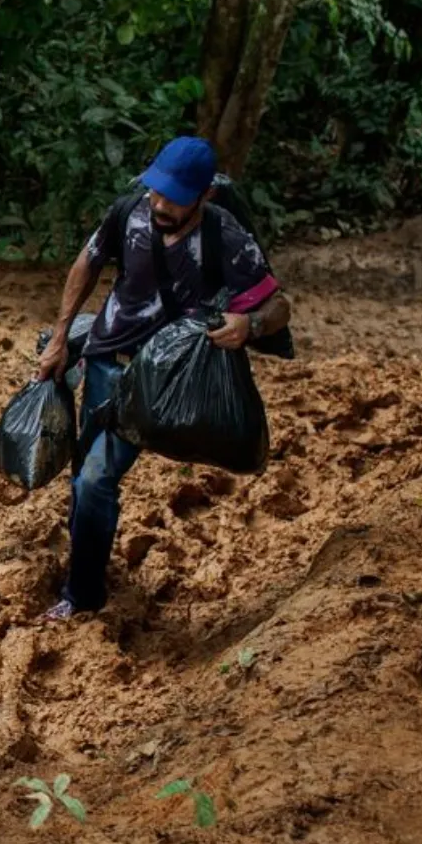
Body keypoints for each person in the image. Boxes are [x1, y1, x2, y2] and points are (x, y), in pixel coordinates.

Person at [32, 136, 292, 621]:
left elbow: (279, 304)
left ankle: (82, 594)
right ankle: (87, 572)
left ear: (205, 195)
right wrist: (62, 335)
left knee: (94, 479)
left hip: (172, 378)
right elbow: (88, 261)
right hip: (110, 361)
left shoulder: (225, 236)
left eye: (173, 197)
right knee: (87, 478)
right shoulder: (128, 212)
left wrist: (249, 325)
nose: (159, 204)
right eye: (155, 191)